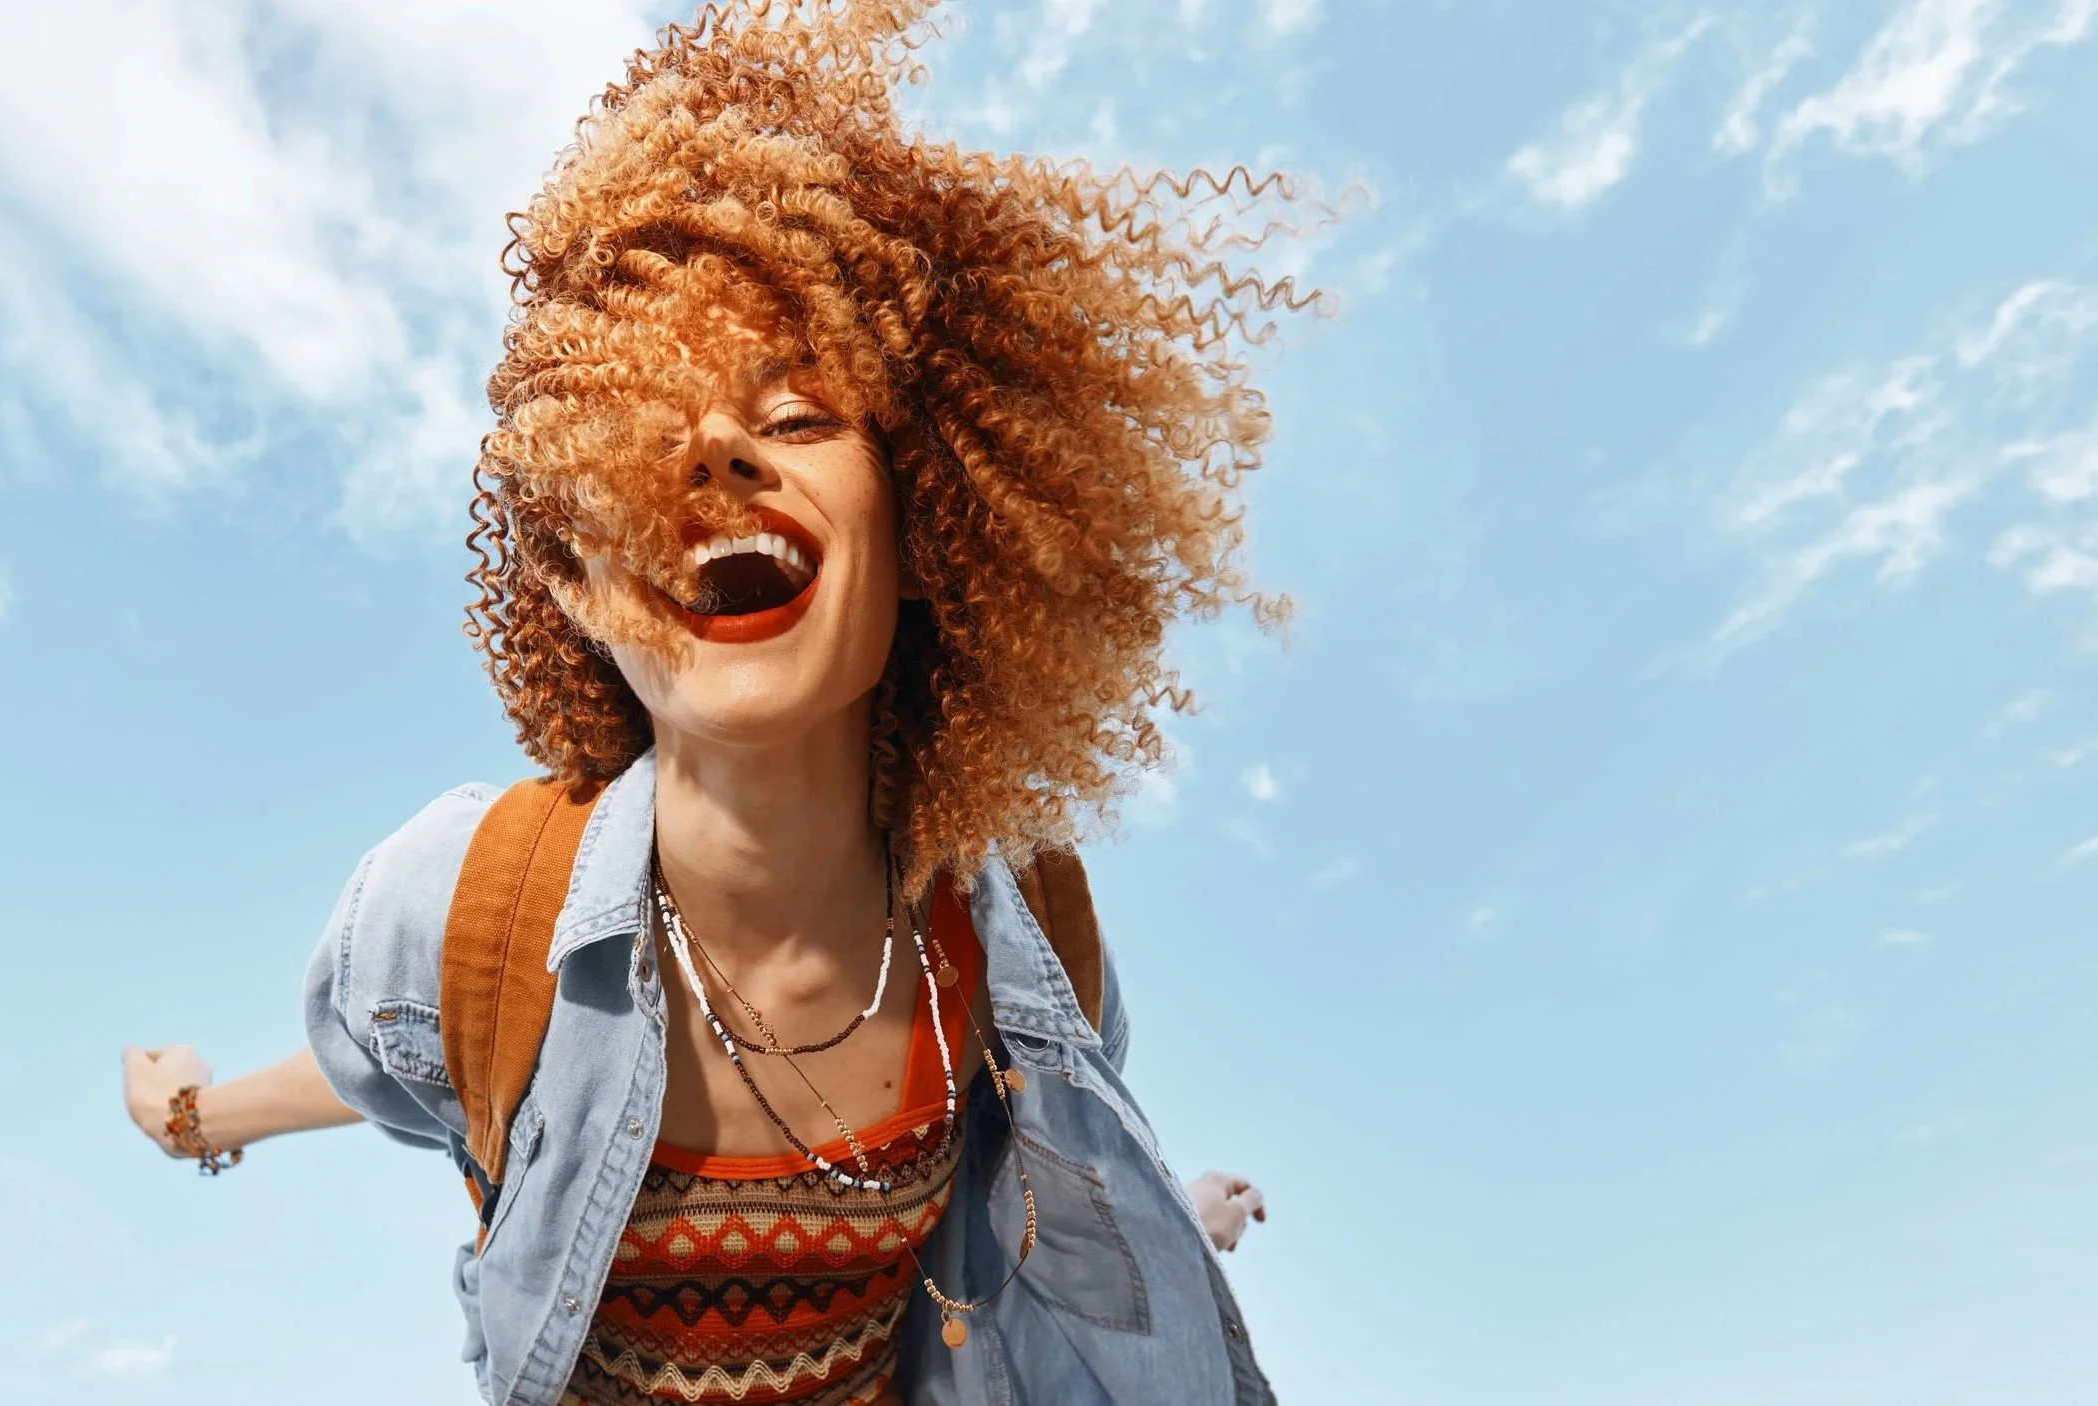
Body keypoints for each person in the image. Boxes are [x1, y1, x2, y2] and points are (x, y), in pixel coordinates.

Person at [122, 0, 1321, 1400]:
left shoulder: (1029, 948)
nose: (718, 456)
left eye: (800, 415)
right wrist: (195, 1110)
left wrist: (1188, 1214)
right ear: (574, 575)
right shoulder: (457, 910)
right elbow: (377, 1066)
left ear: (929, 533)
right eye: (638, 439)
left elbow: (1059, 1213)